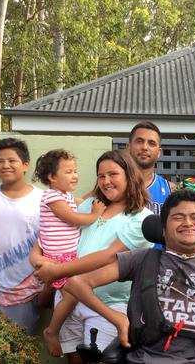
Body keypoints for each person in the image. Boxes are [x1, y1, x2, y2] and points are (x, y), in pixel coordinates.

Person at [63, 190, 195, 364]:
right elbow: (77, 283)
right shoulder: (141, 259)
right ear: (163, 228)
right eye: (178, 217)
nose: (188, 223)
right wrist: (117, 319)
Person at [32, 150, 153, 363]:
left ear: (129, 175)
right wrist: (37, 256)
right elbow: (54, 232)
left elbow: (109, 256)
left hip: (107, 304)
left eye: (113, 174)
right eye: (101, 175)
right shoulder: (90, 206)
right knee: (74, 358)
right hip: (68, 299)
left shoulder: (141, 219)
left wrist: (56, 271)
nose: (106, 181)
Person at [29, 149, 106, 356]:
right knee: (71, 298)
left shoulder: (65, 196)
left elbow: (81, 201)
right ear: (52, 177)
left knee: (67, 295)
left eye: (76, 171)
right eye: (69, 172)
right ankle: (52, 331)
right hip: (58, 259)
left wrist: (93, 197)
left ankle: (45, 295)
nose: (75, 175)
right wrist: (95, 214)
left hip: (66, 258)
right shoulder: (52, 197)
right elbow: (73, 219)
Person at [0, 138, 44, 334]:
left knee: (17, 350)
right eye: (0, 161)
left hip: (24, 292)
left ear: (25, 165)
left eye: (12, 161)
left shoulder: (43, 200)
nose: (5, 166)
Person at [126, 121, 176, 215]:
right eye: (139, 141)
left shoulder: (170, 189)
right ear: (128, 147)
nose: (145, 147)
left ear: (159, 152)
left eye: (151, 143)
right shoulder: (114, 185)